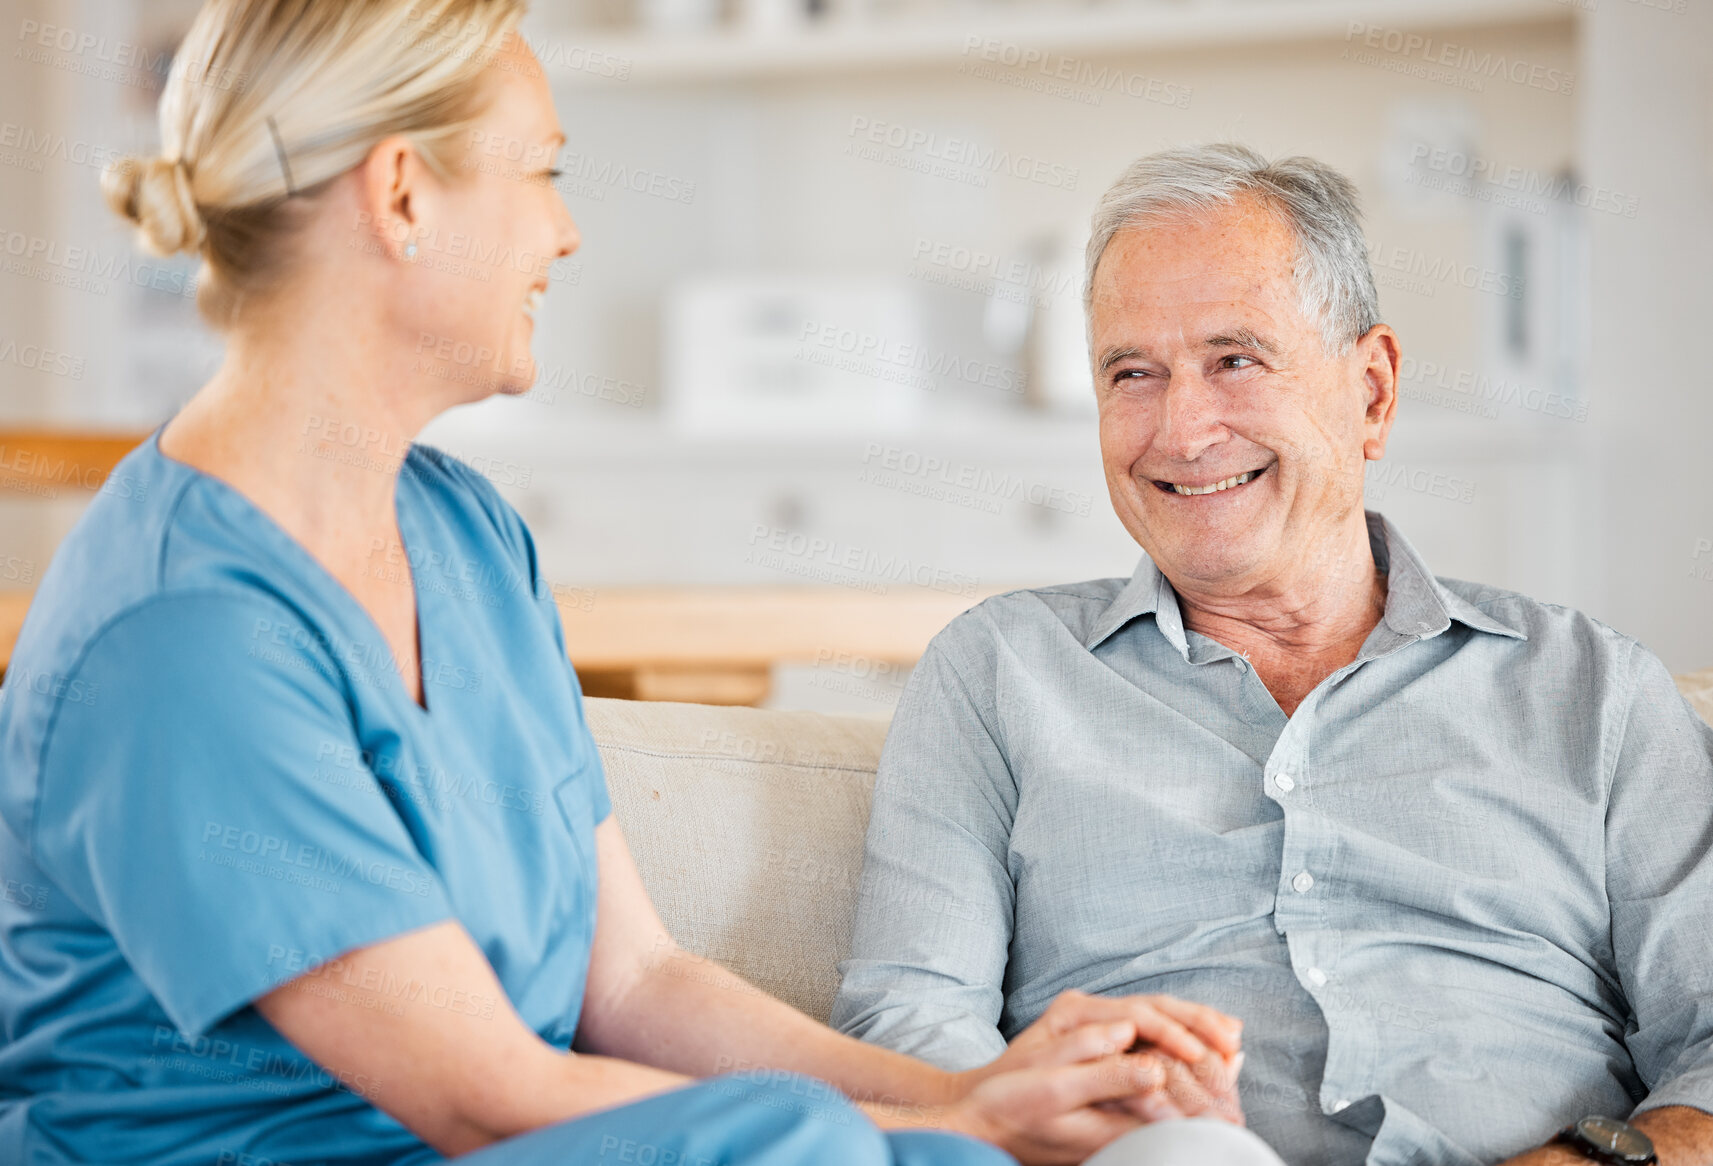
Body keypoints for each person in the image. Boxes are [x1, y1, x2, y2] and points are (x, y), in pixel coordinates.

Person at [0, 3, 1247, 1162]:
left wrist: (959, 1094)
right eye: (540, 169)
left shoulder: (468, 532)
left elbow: (634, 981)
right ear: (400, 194)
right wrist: (947, 1143)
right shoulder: (186, 633)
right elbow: (484, 1094)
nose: (566, 228)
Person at [830, 143, 1713, 1166]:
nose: (1182, 428)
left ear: (1372, 391)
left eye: (1234, 359)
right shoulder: (998, 672)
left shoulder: (1596, 694)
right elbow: (905, 1029)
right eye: (1133, 372)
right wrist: (1046, 1117)